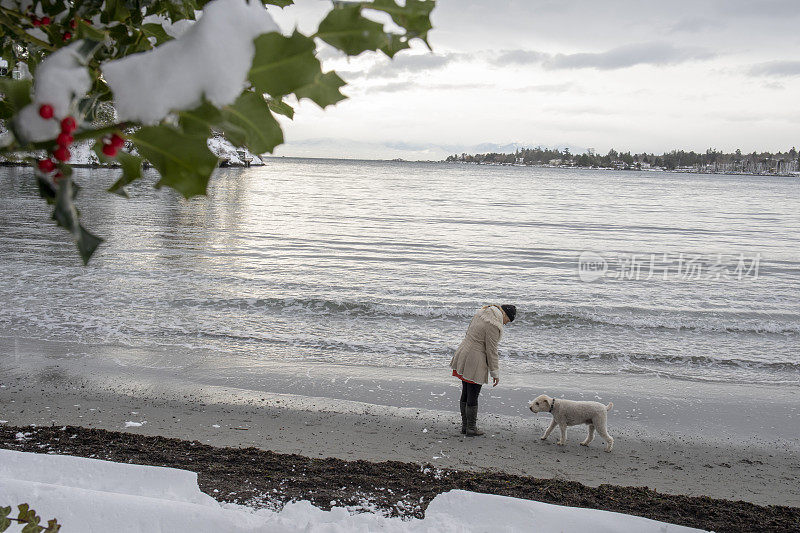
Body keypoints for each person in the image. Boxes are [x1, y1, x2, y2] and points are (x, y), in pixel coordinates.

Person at [450, 303, 516, 436]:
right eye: (507, 321)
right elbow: (491, 350)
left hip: (464, 352)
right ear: (505, 315)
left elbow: (468, 332)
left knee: (466, 391)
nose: (505, 324)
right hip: (475, 359)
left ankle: (465, 426)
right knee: (473, 394)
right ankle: (471, 428)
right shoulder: (494, 325)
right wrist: (495, 372)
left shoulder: (481, 312)